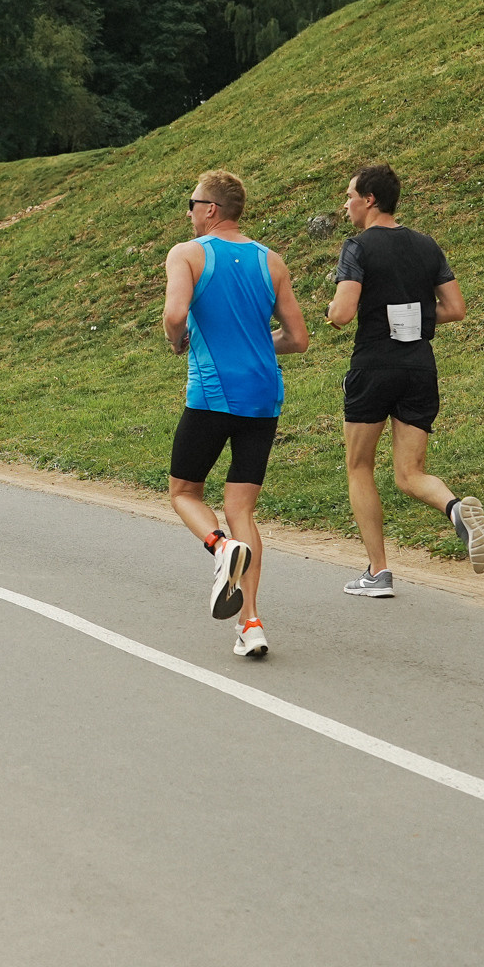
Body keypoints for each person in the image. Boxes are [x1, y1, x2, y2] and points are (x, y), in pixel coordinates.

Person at [326, 164, 484, 595]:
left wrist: (331, 312)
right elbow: (455, 307)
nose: (345, 205)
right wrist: (416, 315)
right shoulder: (426, 245)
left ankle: (378, 572)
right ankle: (456, 509)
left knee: (359, 466)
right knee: (409, 473)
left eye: (349, 196)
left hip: (373, 367)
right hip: (420, 368)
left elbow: (343, 314)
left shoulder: (358, 247)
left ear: (369, 199)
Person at [160, 171, 310, 660]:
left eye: (192, 203)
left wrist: (176, 341)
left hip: (212, 393)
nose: (188, 212)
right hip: (264, 396)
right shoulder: (272, 260)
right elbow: (297, 339)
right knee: (242, 508)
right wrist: (254, 346)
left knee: (184, 491)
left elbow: (176, 314)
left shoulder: (188, 253)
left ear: (210, 210)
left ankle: (219, 547)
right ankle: (251, 623)